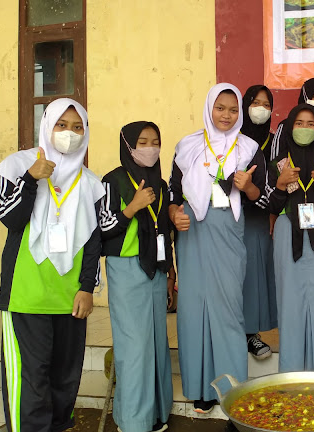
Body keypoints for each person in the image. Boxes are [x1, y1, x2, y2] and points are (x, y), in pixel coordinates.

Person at [0, 98, 104, 432]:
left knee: (65, 381)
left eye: (77, 127)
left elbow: (93, 242)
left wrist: (87, 287)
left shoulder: (90, 182)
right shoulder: (18, 165)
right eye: (61, 125)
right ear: (47, 125)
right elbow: (10, 219)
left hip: (70, 299)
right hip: (26, 296)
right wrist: (30, 179)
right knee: (31, 381)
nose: (69, 133)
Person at [168, 83, 267, 414]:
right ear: (209, 108)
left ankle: (231, 389)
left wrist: (248, 187)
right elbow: (172, 191)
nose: (226, 115)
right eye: (220, 108)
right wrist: (174, 213)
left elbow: (261, 197)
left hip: (228, 232)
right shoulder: (187, 146)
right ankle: (201, 388)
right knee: (194, 309)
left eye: (233, 109)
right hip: (192, 231)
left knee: (227, 308)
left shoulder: (249, 149)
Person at [99, 122, 175, 432]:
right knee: (134, 346)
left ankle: (156, 414)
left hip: (155, 270)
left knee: (156, 343)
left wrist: (170, 272)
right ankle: (132, 421)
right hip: (127, 269)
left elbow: (164, 230)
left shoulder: (161, 185)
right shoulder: (113, 180)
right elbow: (103, 227)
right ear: (128, 145)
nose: (150, 148)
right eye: (142, 142)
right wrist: (131, 208)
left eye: (155, 141)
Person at [267, 103, 314, 373]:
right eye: (299, 123)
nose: (305, 128)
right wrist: (280, 185)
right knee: (291, 303)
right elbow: (269, 206)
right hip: (288, 233)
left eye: (311, 124)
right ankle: (293, 373)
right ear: (290, 127)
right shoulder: (278, 164)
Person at [240, 85, 277, 359]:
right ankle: (238, 333)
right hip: (232, 216)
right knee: (238, 275)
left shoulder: (274, 141)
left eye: (266, 105)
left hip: (263, 216)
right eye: (255, 103)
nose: (261, 109)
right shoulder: (232, 139)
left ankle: (252, 333)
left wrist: (274, 210)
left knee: (256, 275)